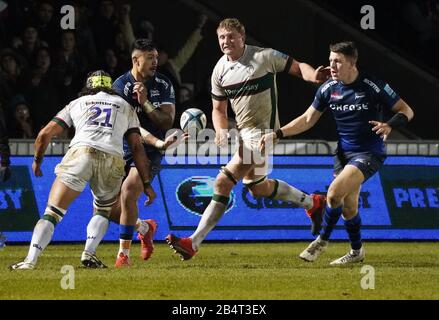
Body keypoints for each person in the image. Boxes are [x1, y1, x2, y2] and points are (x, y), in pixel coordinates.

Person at [165, 18, 329, 261]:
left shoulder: (264, 57)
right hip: (245, 134)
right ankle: (312, 203)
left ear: (242, 37)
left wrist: (312, 75)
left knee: (222, 183)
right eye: (222, 37)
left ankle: (193, 243)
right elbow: (218, 110)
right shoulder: (219, 70)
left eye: (231, 36)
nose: (226, 41)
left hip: (265, 135)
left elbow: (297, 66)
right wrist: (220, 130)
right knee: (258, 188)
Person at [259, 41, 414, 265]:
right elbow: (307, 120)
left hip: (369, 152)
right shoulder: (328, 88)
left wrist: (389, 125)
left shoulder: (372, 85)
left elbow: (406, 110)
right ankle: (357, 251)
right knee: (349, 207)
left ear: (352, 63)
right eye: (331, 60)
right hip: (343, 155)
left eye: (338, 61)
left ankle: (321, 240)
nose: (332, 65)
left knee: (333, 195)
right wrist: (278, 134)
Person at [9, 70, 156, 270]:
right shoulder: (125, 106)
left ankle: (30, 261)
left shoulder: (77, 103)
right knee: (103, 210)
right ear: (110, 88)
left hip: (80, 154)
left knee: (52, 213)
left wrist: (37, 160)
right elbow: (137, 147)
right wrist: (146, 183)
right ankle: (89, 253)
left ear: (88, 86)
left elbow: (44, 135)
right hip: (112, 158)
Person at [82, 39, 176, 267]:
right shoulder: (120, 86)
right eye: (150, 58)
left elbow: (166, 121)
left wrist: (145, 104)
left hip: (150, 149)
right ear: (136, 60)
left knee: (129, 191)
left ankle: (123, 255)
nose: (155, 62)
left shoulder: (163, 84)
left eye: (156, 57)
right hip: (121, 146)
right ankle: (144, 227)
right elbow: (128, 127)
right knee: (102, 208)